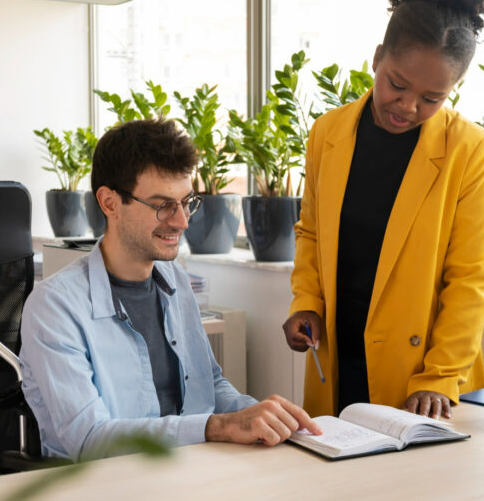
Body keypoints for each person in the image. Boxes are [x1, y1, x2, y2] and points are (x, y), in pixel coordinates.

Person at [20, 119, 320, 462]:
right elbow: (90, 440)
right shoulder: (54, 307)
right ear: (110, 203)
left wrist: (263, 417)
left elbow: (210, 386)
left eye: (186, 202)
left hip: (191, 471)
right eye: (163, 205)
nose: (182, 222)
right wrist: (216, 427)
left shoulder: (175, 280)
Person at [282, 0, 484, 420]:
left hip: (422, 381)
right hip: (337, 361)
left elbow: (470, 279)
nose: (407, 107)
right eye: (397, 85)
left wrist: (441, 375)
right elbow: (312, 234)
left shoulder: (472, 150)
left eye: (432, 98)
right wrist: (307, 304)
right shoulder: (327, 132)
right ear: (378, 56)